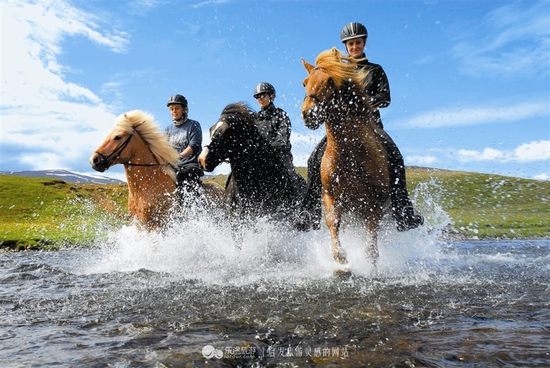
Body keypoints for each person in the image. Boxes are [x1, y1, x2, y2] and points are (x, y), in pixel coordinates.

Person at [294, 22, 424, 232]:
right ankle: (308, 213)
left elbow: (385, 98)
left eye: (358, 43)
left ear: (364, 43)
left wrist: (364, 103)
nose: (354, 47)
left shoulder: (375, 70)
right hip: (341, 128)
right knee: (313, 160)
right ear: (346, 46)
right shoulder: (338, 72)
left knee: (396, 157)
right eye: (351, 44)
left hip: (370, 125)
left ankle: (404, 212)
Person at [165, 94, 204, 194]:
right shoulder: (167, 130)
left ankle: (190, 206)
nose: (174, 111)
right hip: (174, 166)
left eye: (177, 108)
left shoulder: (194, 125)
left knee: (183, 175)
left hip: (190, 165)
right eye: (171, 109)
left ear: (184, 109)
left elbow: (194, 145)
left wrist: (179, 156)